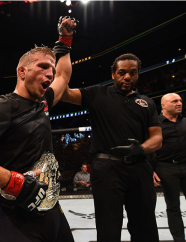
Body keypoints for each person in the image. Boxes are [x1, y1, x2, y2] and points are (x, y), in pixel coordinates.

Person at [0, 17, 78, 242]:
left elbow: (64, 76)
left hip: (52, 209)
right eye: (43, 66)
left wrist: (65, 42)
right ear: (22, 72)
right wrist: (12, 181)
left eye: (52, 69)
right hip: (19, 217)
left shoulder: (43, 101)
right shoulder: (4, 105)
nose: (50, 74)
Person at [61, 53, 163, 241]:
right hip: (107, 170)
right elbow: (64, 91)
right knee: (108, 229)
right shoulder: (97, 93)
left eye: (132, 73)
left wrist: (140, 148)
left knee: (146, 228)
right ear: (113, 73)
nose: (127, 77)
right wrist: (64, 50)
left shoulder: (146, 102)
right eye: (122, 72)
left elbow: (157, 137)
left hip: (140, 168)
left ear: (138, 74)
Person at [153, 93, 186, 242]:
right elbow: (149, 149)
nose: (179, 103)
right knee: (173, 207)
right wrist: (151, 169)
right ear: (163, 105)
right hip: (166, 168)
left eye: (180, 101)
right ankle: (179, 240)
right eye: (175, 101)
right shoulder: (155, 124)